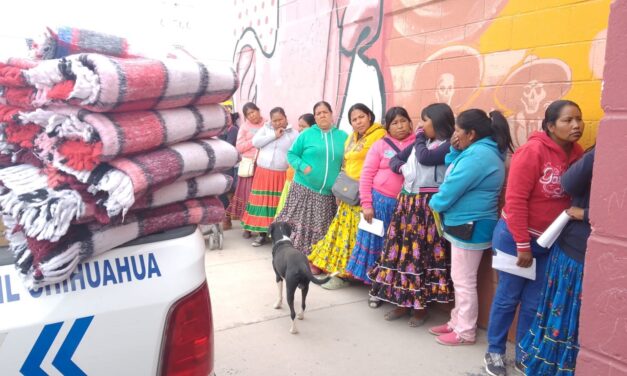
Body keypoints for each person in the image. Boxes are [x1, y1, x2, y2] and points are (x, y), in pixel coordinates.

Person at [484, 100, 584, 375]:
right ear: (551, 126)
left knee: (534, 302)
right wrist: (522, 245)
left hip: (549, 242)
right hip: (516, 239)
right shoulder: (532, 151)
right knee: (508, 297)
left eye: (579, 119)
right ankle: (494, 351)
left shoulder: (578, 154)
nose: (576, 125)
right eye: (568, 120)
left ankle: (525, 352)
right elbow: (515, 200)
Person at [428, 109, 513, 346]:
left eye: (458, 130)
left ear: (472, 133)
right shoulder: (479, 151)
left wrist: (434, 203)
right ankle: (456, 321)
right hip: (468, 223)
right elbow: (454, 168)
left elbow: (453, 184)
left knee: (464, 281)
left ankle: (465, 331)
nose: (455, 134)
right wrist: (455, 149)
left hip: (471, 224)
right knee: (460, 278)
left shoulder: (478, 156)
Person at [367, 104, 455, 326]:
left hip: (426, 208)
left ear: (437, 122)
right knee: (402, 255)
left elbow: (426, 158)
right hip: (407, 204)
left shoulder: (447, 146)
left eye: (425, 121)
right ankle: (401, 303)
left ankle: (420, 308)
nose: (420, 125)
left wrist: (417, 138)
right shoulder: (420, 143)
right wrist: (401, 168)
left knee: (421, 257)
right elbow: (395, 160)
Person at [517, 147, 593, 376]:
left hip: (587, 256)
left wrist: (587, 213)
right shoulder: (592, 153)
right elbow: (569, 183)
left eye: (578, 119)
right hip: (570, 251)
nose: (576, 125)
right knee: (554, 318)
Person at [308, 103, 386, 289]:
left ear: (370, 116)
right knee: (342, 232)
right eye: (354, 119)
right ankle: (339, 268)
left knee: (358, 236)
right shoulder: (352, 137)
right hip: (349, 192)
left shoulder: (379, 135)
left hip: (366, 194)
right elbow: (346, 162)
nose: (358, 122)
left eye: (361, 117)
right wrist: (339, 190)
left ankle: (349, 273)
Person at [345, 107, 417, 285]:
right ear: (388, 127)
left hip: (407, 207)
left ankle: (393, 286)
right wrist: (367, 204)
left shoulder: (419, 144)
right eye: (394, 123)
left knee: (399, 249)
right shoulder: (380, 145)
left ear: (410, 123)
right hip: (380, 205)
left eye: (403, 121)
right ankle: (375, 286)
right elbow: (366, 175)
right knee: (377, 247)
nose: (400, 126)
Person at [275, 101, 347, 256]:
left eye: (325, 112)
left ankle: (313, 258)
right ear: (315, 117)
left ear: (331, 114)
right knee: (299, 226)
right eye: (318, 113)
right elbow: (291, 154)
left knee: (320, 229)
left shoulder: (343, 137)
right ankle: (291, 256)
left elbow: (346, 163)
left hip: (328, 194)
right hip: (304, 187)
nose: (322, 115)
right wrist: (303, 167)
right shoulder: (307, 135)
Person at [241, 107, 299, 246]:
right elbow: (256, 142)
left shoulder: (294, 134)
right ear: (271, 121)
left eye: (280, 119)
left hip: (281, 174)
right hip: (263, 172)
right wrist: (274, 135)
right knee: (262, 204)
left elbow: (295, 153)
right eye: (275, 121)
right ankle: (261, 235)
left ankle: (276, 234)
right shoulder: (266, 129)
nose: (278, 123)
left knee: (276, 206)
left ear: (286, 118)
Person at [227, 102, 265, 239]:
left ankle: (262, 228)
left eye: (253, 112)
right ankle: (247, 227)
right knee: (248, 198)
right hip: (249, 167)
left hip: (264, 166)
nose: (252, 115)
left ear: (258, 110)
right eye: (248, 114)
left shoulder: (267, 124)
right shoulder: (244, 128)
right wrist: (255, 141)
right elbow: (239, 147)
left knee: (261, 199)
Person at [275, 113, 315, 217]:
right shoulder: (299, 139)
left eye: (303, 126)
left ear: (312, 126)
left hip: (303, 182)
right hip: (291, 179)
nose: (300, 129)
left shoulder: (313, 143)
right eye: (299, 126)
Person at [220, 112, 240, 230]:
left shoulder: (233, 130)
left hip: (229, 164)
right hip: (220, 164)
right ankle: (226, 216)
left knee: (225, 188)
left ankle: (227, 217)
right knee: (220, 190)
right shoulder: (220, 130)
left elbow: (227, 146)